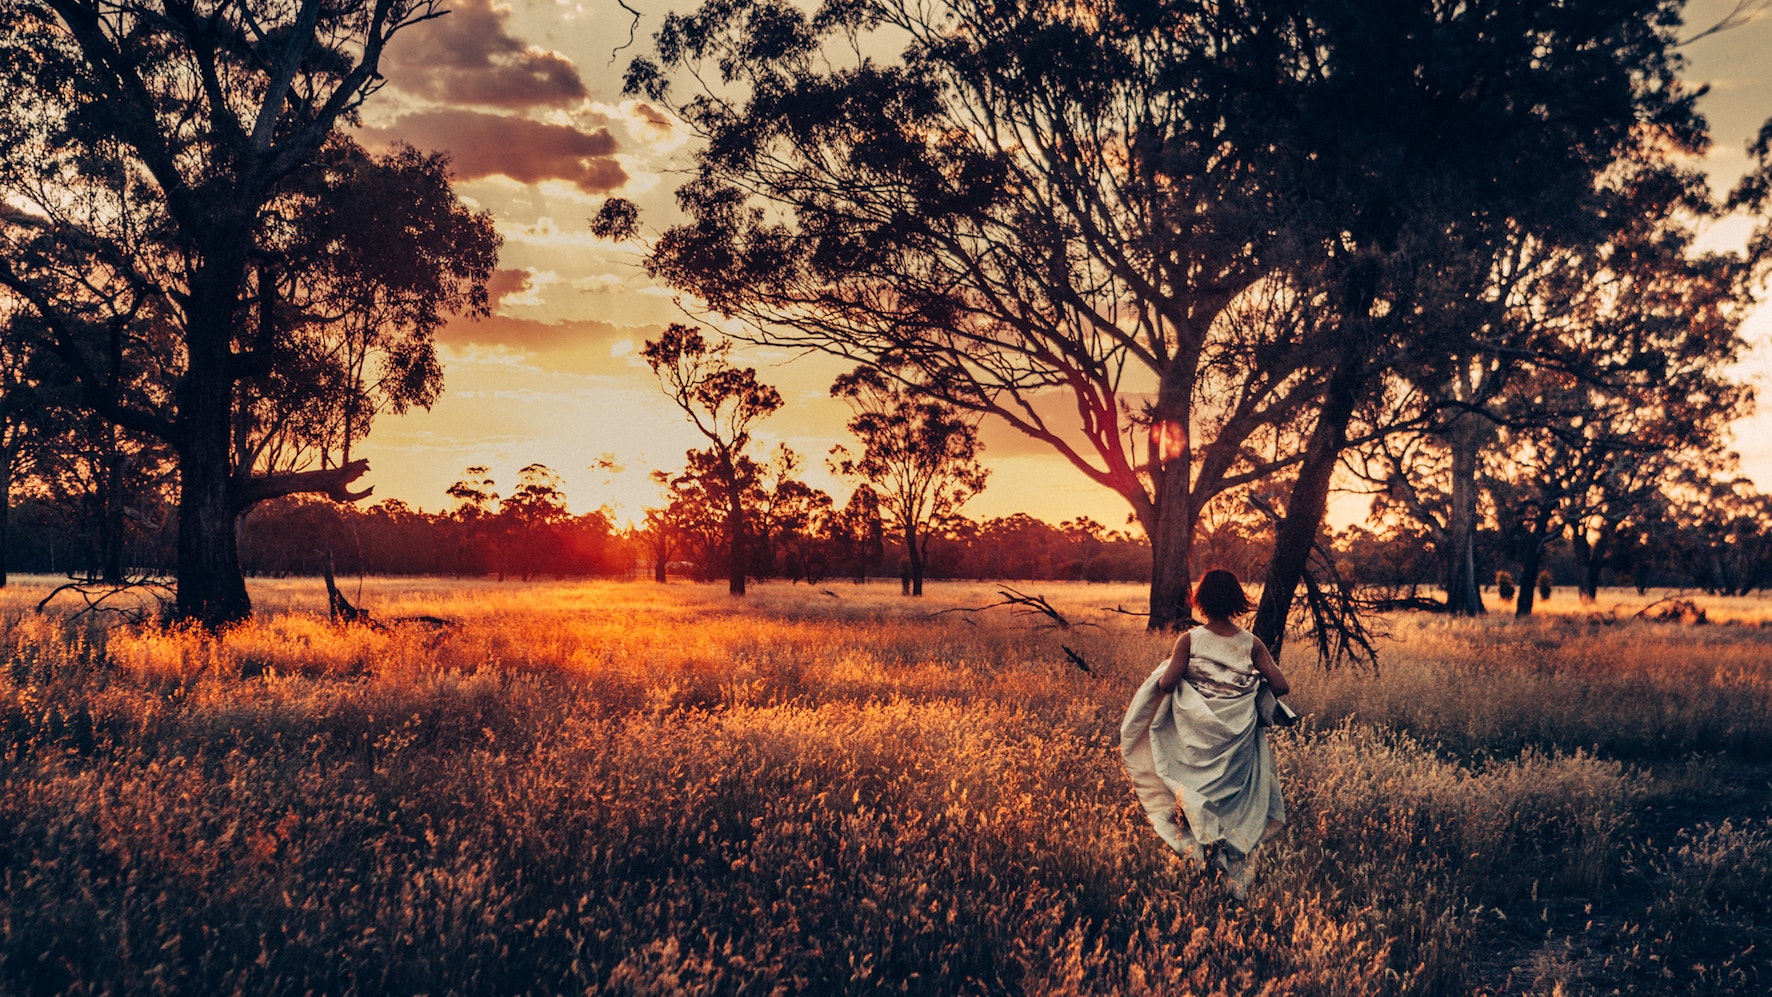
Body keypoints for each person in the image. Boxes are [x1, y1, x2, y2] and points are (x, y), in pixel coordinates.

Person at [1119, 568, 1291, 899]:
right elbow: (1281, 685)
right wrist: (1247, 687)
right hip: (1236, 749)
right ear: (1237, 602)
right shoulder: (1250, 644)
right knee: (1230, 807)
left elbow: (1167, 683)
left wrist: (1191, 681)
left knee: (1193, 800)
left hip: (1195, 746)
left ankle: (1200, 868)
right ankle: (1229, 873)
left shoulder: (1190, 640)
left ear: (1202, 602)